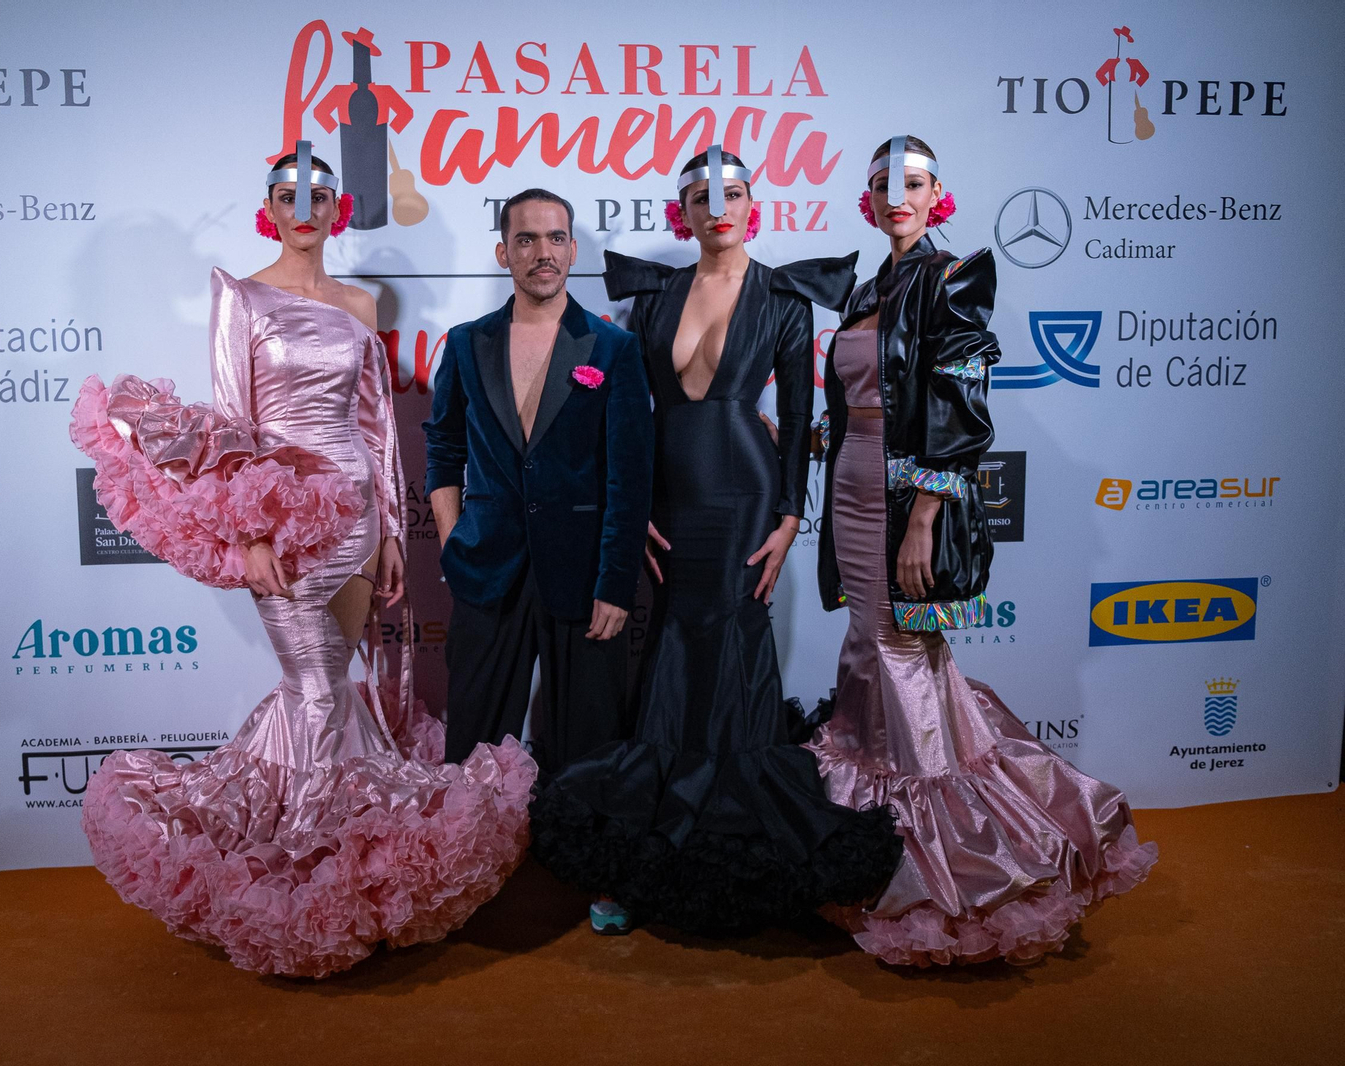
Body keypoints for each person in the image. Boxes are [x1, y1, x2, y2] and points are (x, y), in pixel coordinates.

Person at [68, 145, 535, 979]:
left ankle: (346, 868)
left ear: (337, 210)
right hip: (282, 518)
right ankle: (307, 876)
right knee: (314, 686)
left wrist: (392, 527)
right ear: (272, 208)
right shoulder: (238, 294)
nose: (307, 207)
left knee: (334, 688)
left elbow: (377, 424)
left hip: (354, 511)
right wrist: (248, 534)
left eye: (321, 195)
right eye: (291, 195)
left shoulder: (359, 299)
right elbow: (231, 416)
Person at [528, 148, 904, 936]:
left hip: (744, 493)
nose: (717, 207)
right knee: (669, 642)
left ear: (750, 204)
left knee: (730, 640)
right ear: (684, 212)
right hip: (666, 494)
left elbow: (800, 419)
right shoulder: (655, 295)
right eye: (701, 196)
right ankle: (648, 850)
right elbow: (630, 413)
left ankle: (741, 845)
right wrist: (629, 514)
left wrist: (791, 518)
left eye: (732, 193)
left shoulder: (783, 295)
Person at [810, 135, 1158, 966]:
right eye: (883, 185)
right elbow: (861, 398)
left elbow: (960, 404)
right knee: (886, 656)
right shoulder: (867, 286)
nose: (898, 194)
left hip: (908, 499)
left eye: (915, 181)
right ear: (867, 200)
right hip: (852, 489)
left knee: (894, 646)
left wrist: (927, 513)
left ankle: (948, 870)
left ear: (939, 195)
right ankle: (887, 844)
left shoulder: (954, 276)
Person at [424, 188, 653, 775]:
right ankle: (478, 857)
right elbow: (444, 451)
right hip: (486, 565)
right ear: (504, 252)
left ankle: (576, 856)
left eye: (555, 239)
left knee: (590, 754)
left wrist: (617, 584)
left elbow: (630, 479)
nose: (542, 252)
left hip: (584, 574)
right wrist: (453, 545)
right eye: (526, 239)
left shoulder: (613, 348)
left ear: (574, 249)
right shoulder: (467, 343)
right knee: (473, 752)